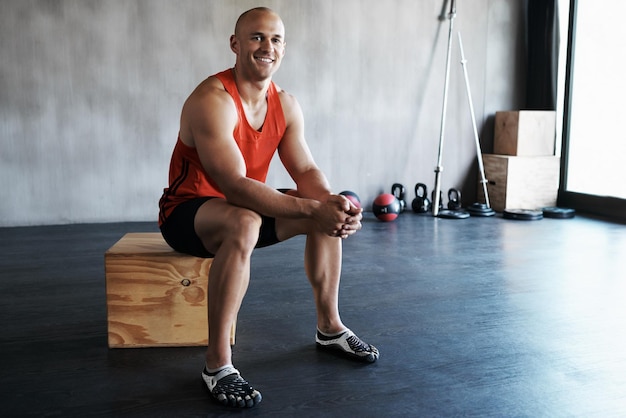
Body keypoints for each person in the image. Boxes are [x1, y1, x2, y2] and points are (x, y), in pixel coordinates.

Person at [158, 7, 378, 409]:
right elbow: (235, 186)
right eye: (257, 37)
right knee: (248, 219)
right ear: (235, 44)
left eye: (276, 39)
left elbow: (306, 168)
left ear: (284, 48)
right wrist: (313, 209)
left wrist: (333, 205)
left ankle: (329, 327)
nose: (267, 47)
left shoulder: (287, 105)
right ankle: (217, 364)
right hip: (188, 213)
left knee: (323, 207)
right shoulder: (213, 100)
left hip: (246, 211)